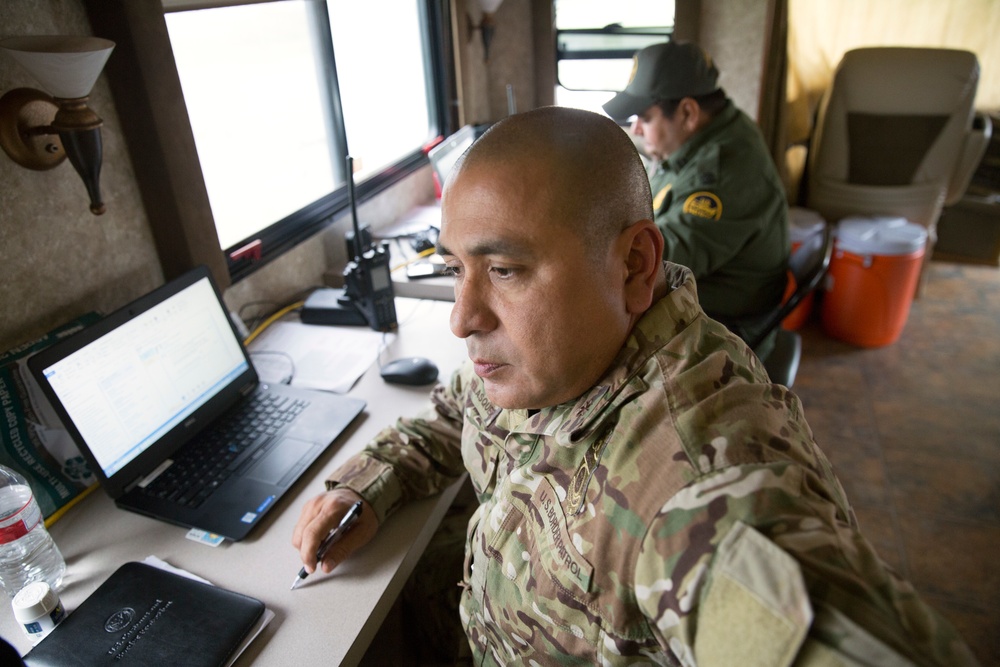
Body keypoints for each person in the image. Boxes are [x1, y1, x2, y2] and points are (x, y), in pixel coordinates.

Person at [292, 107, 977, 666]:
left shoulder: (701, 488)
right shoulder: (547, 359)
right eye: (456, 269)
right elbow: (455, 412)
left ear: (634, 263)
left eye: (503, 269)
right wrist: (370, 480)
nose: (462, 317)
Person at [604, 41, 790, 353]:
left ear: (688, 112)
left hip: (728, 324)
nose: (635, 129)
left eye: (644, 118)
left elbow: (657, 261)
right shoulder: (705, 135)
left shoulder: (724, 173)